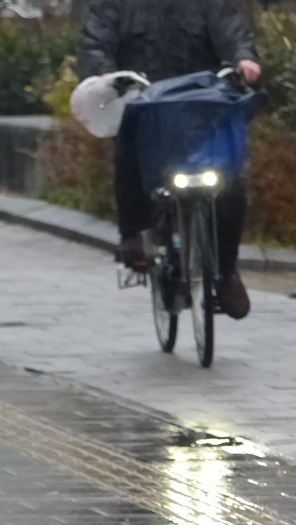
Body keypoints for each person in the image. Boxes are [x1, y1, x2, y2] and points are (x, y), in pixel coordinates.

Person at [79, 0, 262, 319]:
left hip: (200, 107)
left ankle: (226, 271)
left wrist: (243, 59)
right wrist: (104, 74)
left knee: (230, 183)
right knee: (129, 151)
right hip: (145, 106)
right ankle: (133, 234)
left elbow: (231, 32)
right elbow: (96, 40)